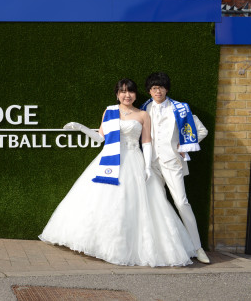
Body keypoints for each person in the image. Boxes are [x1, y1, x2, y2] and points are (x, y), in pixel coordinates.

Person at [39, 78, 197, 267]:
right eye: (122, 91)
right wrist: (80, 127)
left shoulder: (143, 115)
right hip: (108, 160)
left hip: (133, 160)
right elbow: (99, 138)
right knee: (100, 203)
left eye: (130, 91)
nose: (126, 95)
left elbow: (146, 142)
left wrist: (147, 166)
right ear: (117, 94)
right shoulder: (110, 111)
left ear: (135, 94)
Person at [140, 72, 210, 264]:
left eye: (161, 87)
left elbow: (202, 130)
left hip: (172, 163)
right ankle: (158, 248)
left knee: (181, 203)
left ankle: (197, 247)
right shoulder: (144, 107)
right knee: (155, 203)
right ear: (149, 90)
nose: (158, 91)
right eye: (154, 88)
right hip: (151, 164)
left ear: (167, 89)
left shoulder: (180, 109)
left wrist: (183, 147)